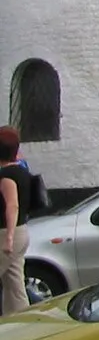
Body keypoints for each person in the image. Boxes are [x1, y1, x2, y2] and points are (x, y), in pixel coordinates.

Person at [0, 127, 30, 316]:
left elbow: (12, 206)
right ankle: (22, 326)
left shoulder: (6, 176)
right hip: (22, 232)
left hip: (6, 235)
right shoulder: (21, 170)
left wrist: (9, 238)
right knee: (15, 285)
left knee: (15, 284)